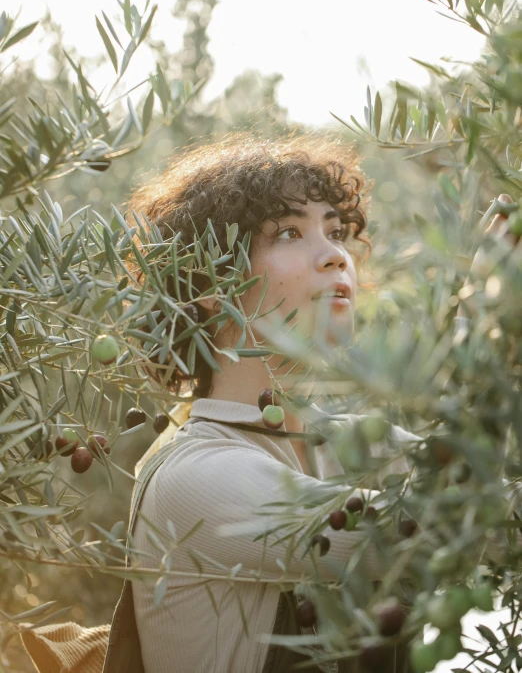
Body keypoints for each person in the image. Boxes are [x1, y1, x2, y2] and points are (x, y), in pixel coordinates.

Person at [125, 130, 423, 673]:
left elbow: (490, 480)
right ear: (211, 280)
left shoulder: (354, 444)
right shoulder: (194, 477)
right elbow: (415, 535)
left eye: (336, 232)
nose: (335, 255)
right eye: (290, 231)